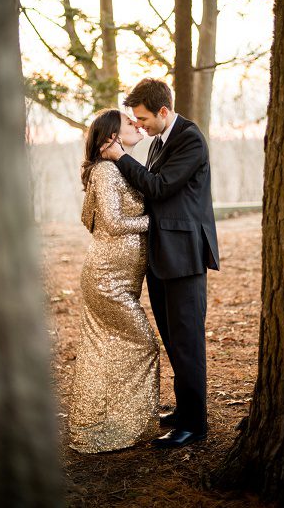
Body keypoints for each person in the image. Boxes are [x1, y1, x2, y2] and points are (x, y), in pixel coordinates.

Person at [101, 78, 219, 449]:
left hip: (183, 256)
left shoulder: (190, 138)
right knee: (172, 338)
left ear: (163, 111)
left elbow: (159, 187)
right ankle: (185, 410)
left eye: (143, 118)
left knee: (187, 343)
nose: (139, 125)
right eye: (136, 120)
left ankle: (195, 425)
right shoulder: (158, 142)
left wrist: (120, 157)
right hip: (161, 255)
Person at [68, 109, 160, 454]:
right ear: (112, 137)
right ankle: (125, 422)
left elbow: (87, 218)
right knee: (143, 344)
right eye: (129, 122)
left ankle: (98, 421)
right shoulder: (107, 170)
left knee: (104, 348)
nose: (136, 124)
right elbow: (112, 223)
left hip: (117, 277)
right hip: (108, 281)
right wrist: (154, 221)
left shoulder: (113, 169)